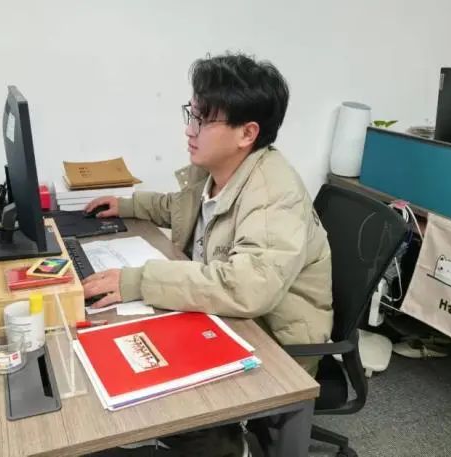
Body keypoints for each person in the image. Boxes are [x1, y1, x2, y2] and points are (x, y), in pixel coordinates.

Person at [83, 53, 333, 457]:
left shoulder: (273, 194)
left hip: (271, 341)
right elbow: (180, 208)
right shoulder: (217, 169)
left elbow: (248, 288)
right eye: (192, 113)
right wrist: (128, 205)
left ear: (246, 133)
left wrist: (140, 281)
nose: (189, 129)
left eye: (202, 119)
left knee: (152, 371)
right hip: (225, 315)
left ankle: (229, 447)